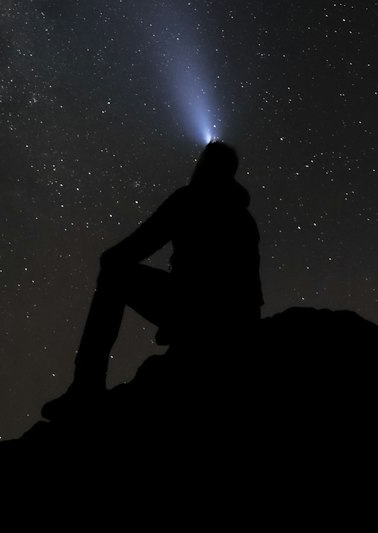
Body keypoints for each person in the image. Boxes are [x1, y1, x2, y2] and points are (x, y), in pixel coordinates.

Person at [42, 139, 262, 420]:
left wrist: (108, 259)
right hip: (237, 323)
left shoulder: (189, 199)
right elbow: (251, 291)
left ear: (204, 166)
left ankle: (87, 387)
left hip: (196, 313)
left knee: (114, 275)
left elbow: (131, 250)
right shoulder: (244, 218)